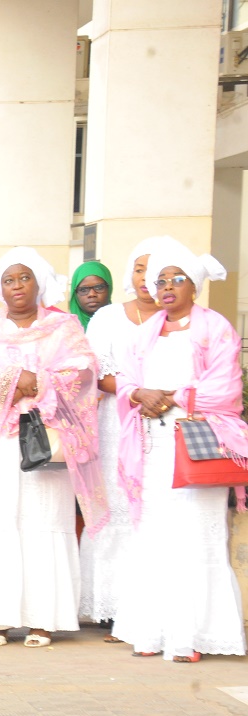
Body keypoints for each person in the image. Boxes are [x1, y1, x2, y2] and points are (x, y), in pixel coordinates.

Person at [0, 248, 105, 648]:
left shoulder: (63, 326)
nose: (17, 286)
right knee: (3, 518)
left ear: (38, 282)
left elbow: (82, 373)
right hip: (3, 439)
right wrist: (11, 378)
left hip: (48, 438)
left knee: (45, 518)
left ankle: (45, 620)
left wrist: (37, 381)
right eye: (9, 279)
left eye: (24, 278)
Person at [111, 241, 246, 662]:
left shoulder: (215, 328)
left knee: (194, 537)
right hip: (152, 445)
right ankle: (152, 633)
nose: (167, 287)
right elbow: (126, 381)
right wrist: (140, 393)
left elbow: (225, 389)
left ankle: (193, 638)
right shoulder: (144, 333)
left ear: (195, 287)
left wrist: (171, 397)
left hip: (197, 443)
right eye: (161, 281)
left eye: (177, 279)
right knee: (155, 535)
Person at [78, 239, 167, 631]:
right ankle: (112, 606)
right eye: (139, 269)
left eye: (156, 270)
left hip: (168, 420)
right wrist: (136, 392)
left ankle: (156, 605)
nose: (147, 278)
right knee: (115, 508)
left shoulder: (183, 320)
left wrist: (164, 397)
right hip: (116, 423)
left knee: (154, 510)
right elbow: (95, 372)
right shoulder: (108, 319)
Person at [69, 262, 112, 327]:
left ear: (109, 289)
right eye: (83, 290)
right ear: (75, 294)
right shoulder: (63, 329)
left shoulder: (122, 324)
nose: (92, 294)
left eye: (99, 287)